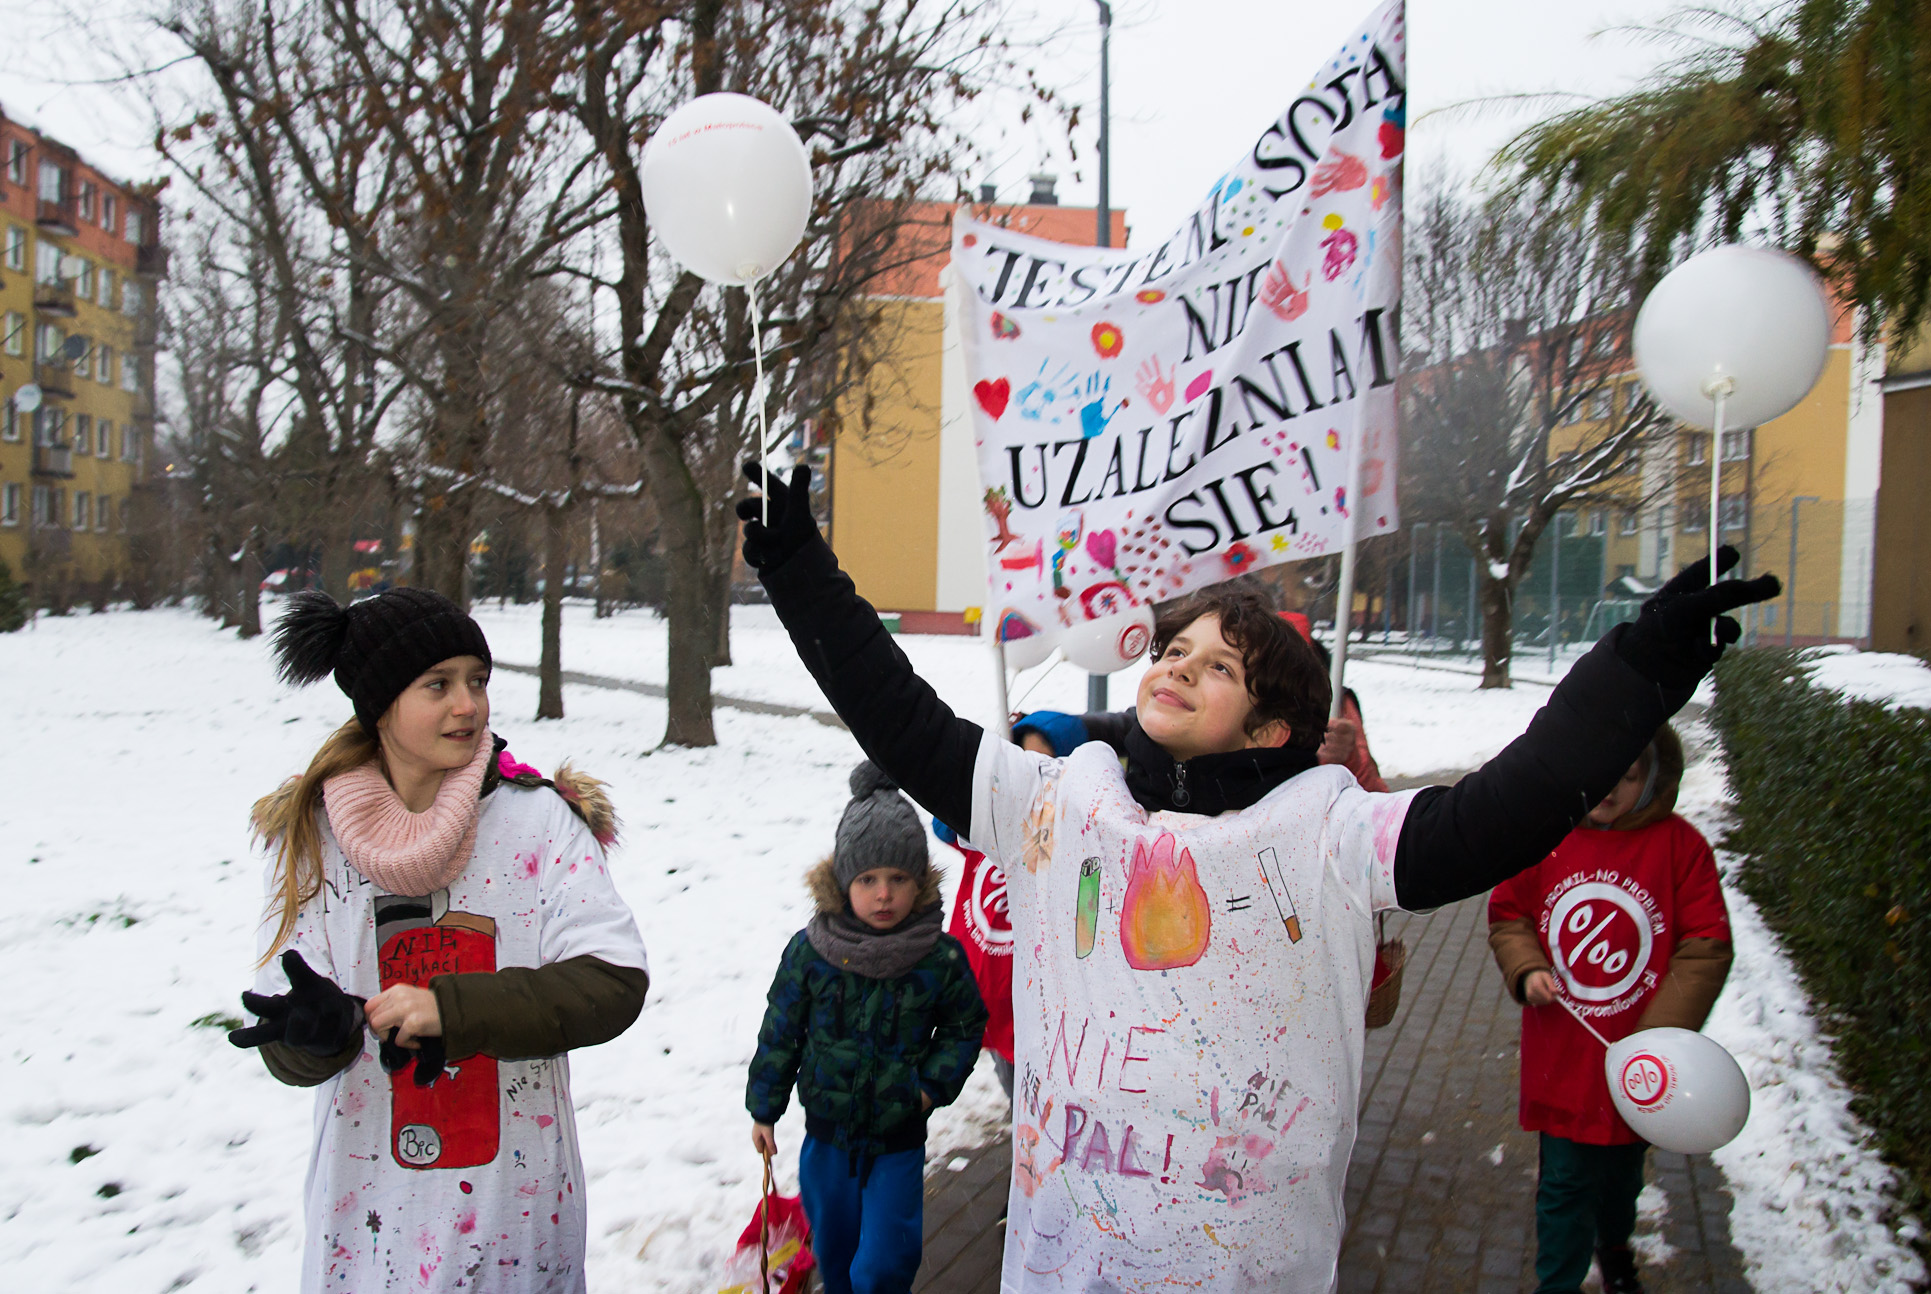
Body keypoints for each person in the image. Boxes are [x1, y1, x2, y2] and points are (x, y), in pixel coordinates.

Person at [734, 461, 1776, 1293]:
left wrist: (1640, 667)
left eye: (1217, 664)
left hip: (1246, 1263)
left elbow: (1508, 803)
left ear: (1274, 725)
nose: (1177, 664)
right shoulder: (1057, 804)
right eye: (1174, 646)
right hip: (1065, 1265)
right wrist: (795, 567)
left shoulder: (1327, 838)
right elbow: (899, 717)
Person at [226, 588, 650, 1294]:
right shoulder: (318, 835)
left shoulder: (537, 820)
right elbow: (285, 1019)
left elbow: (612, 982)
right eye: (439, 685)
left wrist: (451, 1013)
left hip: (511, 1216)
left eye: (477, 681)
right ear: (382, 702)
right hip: (368, 1221)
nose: (470, 705)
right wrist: (312, 1035)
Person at [1488, 726, 1733, 1294]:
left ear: (1651, 778)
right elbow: (1510, 913)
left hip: (1641, 1057)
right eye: (1602, 772)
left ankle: (1616, 1244)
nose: (1611, 788)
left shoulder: (1682, 846)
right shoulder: (1545, 838)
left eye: (1627, 776)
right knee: (1566, 1183)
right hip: (1564, 1056)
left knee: (1623, 1174)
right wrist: (1526, 968)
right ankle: (1559, 1280)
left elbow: (1706, 944)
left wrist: (1658, 1037)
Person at [747, 762, 989, 1294]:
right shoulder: (811, 952)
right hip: (826, 1138)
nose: (884, 894)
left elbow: (964, 1025)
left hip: (897, 1139)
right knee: (835, 1256)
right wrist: (764, 1108)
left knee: (882, 1264)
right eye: (868, 879)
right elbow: (781, 1030)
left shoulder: (938, 957)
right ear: (844, 882)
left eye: (899, 879)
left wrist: (928, 1088)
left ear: (918, 881)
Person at [938, 711, 1090, 1104]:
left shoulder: (1072, 842)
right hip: (980, 998)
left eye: (1042, 766)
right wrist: (979, 771)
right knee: (1016, 1100)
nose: (1031, 778)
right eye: (1020, 761)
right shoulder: (991, 826)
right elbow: (942, 822)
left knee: (1045, 1111)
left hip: (1036, 1016)